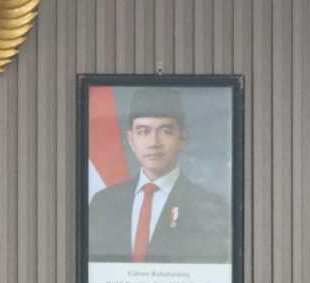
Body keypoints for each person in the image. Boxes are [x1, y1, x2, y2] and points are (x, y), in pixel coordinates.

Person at [86, 88, 231, 266]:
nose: (153, 143)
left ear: (183, 139)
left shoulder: (210, 207)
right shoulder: (104, 203)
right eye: (143, 131)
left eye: (165, 131)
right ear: (131, 140)